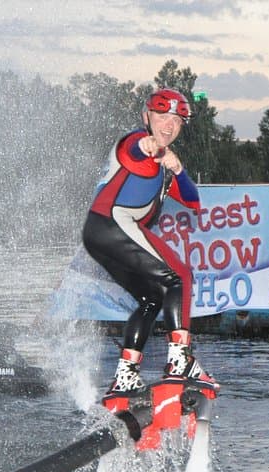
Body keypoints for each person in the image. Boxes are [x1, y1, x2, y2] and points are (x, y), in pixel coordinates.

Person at [82, 87, 216, 394]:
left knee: (152, 298)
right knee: (179, 276)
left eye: (177, 120)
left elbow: (193, 201)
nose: (169, 125)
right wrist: (149, 146)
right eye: (162, 116)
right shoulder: (133, 142)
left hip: (98, 236)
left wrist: (178, 169)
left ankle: (126, 375)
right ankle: (179, 360)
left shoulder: (164, 166)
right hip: (112, 223)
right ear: (146, 116)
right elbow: (134, 149)